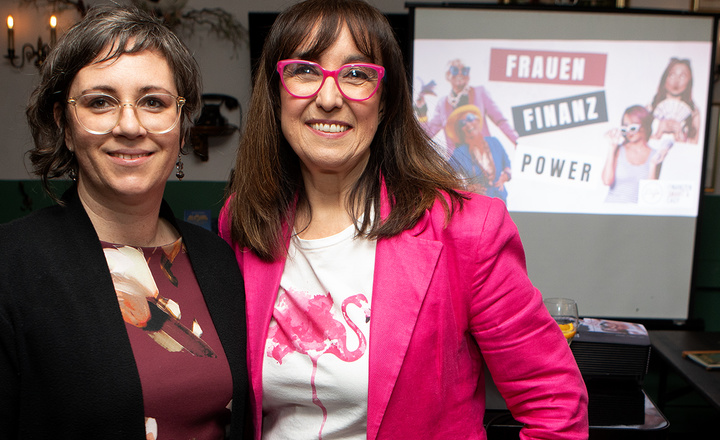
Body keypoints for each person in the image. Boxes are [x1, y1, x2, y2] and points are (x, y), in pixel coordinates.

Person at [220, 0, 587, 439]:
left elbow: (555, 406)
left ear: (385, 101)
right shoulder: (243, 222)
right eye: (305, 70)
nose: (329, 98)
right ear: (276, 92)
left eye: (357, 74)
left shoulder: (466, 230)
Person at [0, 6, 248, 439]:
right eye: (100, 102)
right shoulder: (11, 265)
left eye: (154, 102)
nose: (130, 125)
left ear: (181, 126)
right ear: (64, 124)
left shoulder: (218, 260)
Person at [415, 58, 519, 155]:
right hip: (457, 164)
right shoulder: (442, 104)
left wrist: (516, 141)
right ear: (448, 75)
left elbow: (500, 120)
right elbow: (427, 135)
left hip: (483, 159)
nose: (460, 74)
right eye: (455, 70)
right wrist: (421, 111)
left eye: (464, 71)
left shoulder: (480, 93)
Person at [602, 105, 670, 203]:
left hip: (636, 211)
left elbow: (650, 194)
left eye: (633, 127)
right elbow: (606, 181)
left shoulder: (655, 155)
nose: (629, 131)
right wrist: (612, 148)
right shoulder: (618, 150)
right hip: (612, 208)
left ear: (644, 126)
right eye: (625, 127)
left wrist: (653, 164)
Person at [447, 104, 512, 203]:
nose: (468, 125)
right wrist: (466, 188)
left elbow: (507, 163)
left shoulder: (494, 142)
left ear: (478, 120)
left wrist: (505, 176)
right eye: (462, 123)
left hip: (500, 200)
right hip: (477, 204)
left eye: (470, 118)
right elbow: (445, 177)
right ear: (460, 130)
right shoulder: (460, 152)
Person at [649, 57, 700, 144]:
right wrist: (658, 133)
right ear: (665, 78)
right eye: (672, 75)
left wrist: (679, 136)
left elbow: (694, 145)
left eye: (683, 76)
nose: (676, 81)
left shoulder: (694, 112)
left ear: (689, 81)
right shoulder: (650, 108)